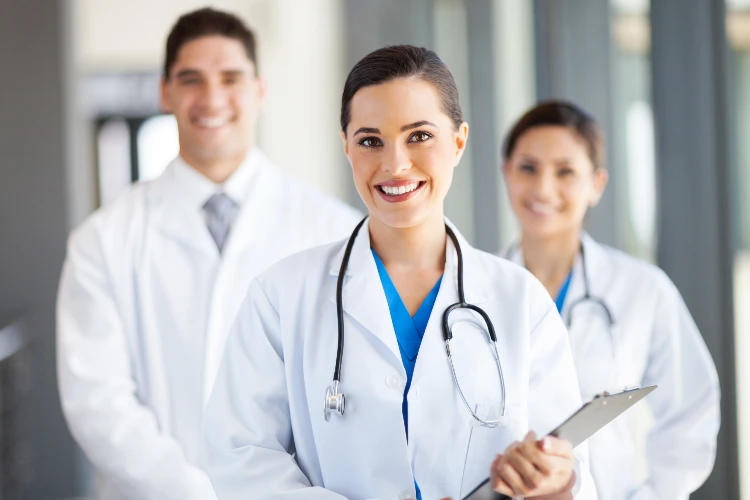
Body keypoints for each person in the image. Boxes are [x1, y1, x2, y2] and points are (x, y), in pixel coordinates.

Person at [202, 45, 597, 500]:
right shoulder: (282, 295)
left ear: (458, 141)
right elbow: (241, 456)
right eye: (371, 140)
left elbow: (572, 472)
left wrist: (554, 480)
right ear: (346, 147)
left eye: (419, 136)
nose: (395, 165)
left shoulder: (519, 300)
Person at [56, 8, 361, 500]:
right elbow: (98, 401)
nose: (212, 98)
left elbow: (351, 392)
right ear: (165, 92)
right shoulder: (104, 239)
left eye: (231, 78)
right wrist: (191, 491)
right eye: (191, 79)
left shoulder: (334, 231)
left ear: (260, 90)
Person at [500, 100, 720, 499]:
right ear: (506, 173)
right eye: (528, 168)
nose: (543, 188)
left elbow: (691, 409)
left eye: (565, 171)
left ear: (597, 184)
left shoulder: (642, 289)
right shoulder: (478, 294)